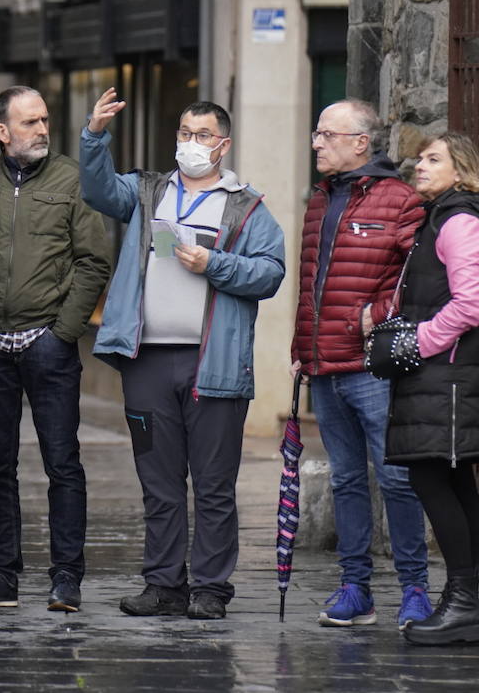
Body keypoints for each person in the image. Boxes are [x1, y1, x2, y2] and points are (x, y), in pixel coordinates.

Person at [80, 88, 285, 621]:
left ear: (224, 145)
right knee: (159, 481)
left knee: (214, 485)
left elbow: (270, 273)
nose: (192, 144)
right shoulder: (149, 191)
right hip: (146, 360)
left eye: (203, 136)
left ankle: (211, 588)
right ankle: (164, 583)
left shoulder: (247, 206)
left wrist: (214, 264)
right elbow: (98, 190)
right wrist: (95, 136)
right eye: (185, 134)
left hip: (212, 366)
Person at [0, 86, 111, 613]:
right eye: (30, 122)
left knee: (63, 461)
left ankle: (66, 577)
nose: (43, 130)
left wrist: (63, 331)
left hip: (49, 344)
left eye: (45, 120)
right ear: (2, 131)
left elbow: (93, 261)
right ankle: (1, 575)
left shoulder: (72, 178)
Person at [290, 99, 432, 630]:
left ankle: (415, 589)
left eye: (328, 134)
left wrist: (375, 314)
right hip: (324, 366)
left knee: (395, 479)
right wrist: (300, 348)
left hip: (374, 366)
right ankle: (355, 589)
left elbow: (417, 276)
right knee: (347, 479)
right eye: (316, 133)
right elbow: (311, 285)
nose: (317, 142)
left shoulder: (399, 199)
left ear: (360, 144)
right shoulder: (320, 199)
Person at [386, 132, 479, 646]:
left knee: (435, 480)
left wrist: (417, 341)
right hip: (441, 376)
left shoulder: (459, 222)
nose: (419, 166)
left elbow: (468, 307)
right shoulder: (443, 217)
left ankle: (462, 604)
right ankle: (462, 604)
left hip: (446, 375)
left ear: (460, 169)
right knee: (450, 482)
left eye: (433, 159)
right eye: (420, 157)